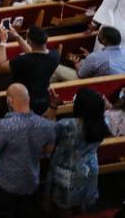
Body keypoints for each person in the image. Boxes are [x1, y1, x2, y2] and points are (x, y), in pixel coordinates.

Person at [0, 84, 56, 218]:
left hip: (5, 185)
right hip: (30, 182)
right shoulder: (46, 125)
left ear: (10, 101)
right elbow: (48, 150)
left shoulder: (4, 125)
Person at [46, 87, 105, 215]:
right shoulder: (102, 124)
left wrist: (53, 106)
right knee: (82, 203)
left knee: (64, 206)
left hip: (67, 171)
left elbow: (48, 132)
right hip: (90, 169)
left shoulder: (67, 125)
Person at [53, 26, 125, 80]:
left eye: (99, 34)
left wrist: (75, 63)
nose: (97, 35)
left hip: (92, 86)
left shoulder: (95, 57)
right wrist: (89, 57)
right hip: (115, 86)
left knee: (55, 67)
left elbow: (81, 75)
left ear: (104, 40)